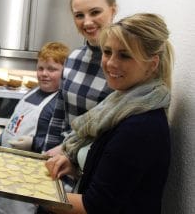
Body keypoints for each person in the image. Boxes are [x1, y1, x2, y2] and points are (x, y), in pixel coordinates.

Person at [45, 13, 174, 214]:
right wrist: (74, 166)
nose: (111, 63)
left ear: (152, 63)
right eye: (107, 52)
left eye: (125, 55)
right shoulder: (120, 104)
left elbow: (95, 207)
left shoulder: (140, 126)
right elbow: (115, 174)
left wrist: (30, 191)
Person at [0, 42, 69, 214]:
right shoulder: (31, 92)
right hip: (4, 169)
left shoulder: (60, 102)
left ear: (65, 72)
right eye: (40, 68)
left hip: (28, 177)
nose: (44, 74)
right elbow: (12, 125)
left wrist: (33, 143)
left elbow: (61, 145)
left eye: (52, 69)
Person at [42, 0, 117, 154]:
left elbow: (114, 133)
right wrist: (45, 157)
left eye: (95, 12)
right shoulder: (74, 58)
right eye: (79, 15)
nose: (87, 22)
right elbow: (59, 116)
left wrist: (70, 158)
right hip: (60, 161)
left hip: (93, 165)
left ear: (113, 10)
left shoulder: (123, 65)